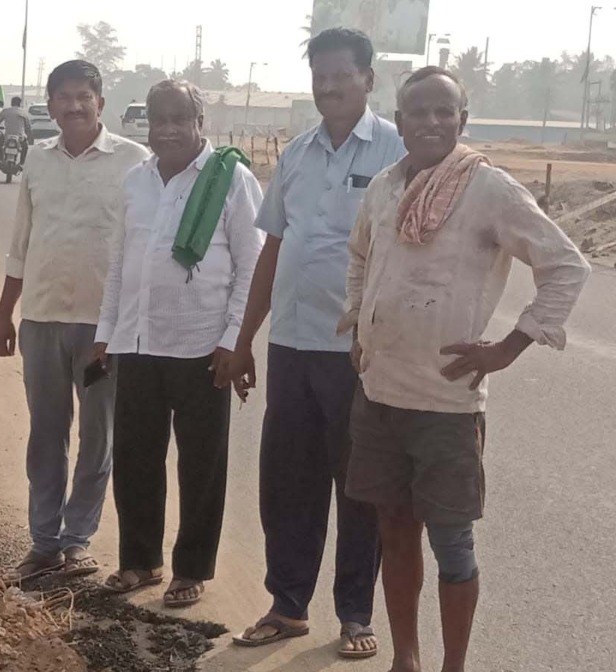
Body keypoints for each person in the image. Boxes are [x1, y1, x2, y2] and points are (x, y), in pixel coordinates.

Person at [340, 66, 590, 672]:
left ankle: (453, 665)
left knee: (452, 546)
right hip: (380, 396)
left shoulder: (491, 189)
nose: (430, 122)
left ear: (462, 120)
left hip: (447, 406)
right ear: (397, 122)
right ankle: (407, 658)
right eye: (417, 111)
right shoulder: (383, 188)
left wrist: (509, 347)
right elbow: (359, 257)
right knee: (394, 535)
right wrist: (358, 324)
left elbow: (565, 265)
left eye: (442, 111)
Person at [219, 28, 405, 659]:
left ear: (368, 80)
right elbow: (273, 249)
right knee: (287, 483)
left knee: (360, 488)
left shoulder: (397, 151)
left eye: (341, 77)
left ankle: (355, 614)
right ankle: (288, 605)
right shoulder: (295, 154)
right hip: (292, 349)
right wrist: (245, 340)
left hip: (358, 355)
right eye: (319, 77)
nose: (328, 88)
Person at [95, 80, 263, 608]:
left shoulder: (231, 179)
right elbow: (121, 264)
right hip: (139, 342)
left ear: (200, 123)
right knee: (135, 457)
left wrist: (235, 340)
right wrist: (106, 335)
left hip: (202, 346)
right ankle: (140, 560)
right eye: (156, 118)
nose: (166, 130)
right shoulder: (135, 181)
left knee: (201, 465)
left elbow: (253, 265)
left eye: (178, 119)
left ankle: (192, 568)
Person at [0, 60, 150, 582]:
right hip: (40, 319)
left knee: (98, 436)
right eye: (63, 97)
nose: (74, 106)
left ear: (100, 102)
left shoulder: (136, 162)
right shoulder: (37, 160)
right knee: (45, 433)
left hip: (105, 329)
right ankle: (43, 543)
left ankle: (77, 540)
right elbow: (20, 243)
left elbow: (146, 247)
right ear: (50, 103)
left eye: (84, 96)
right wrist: (3, 314)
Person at [0, 96, 33, 164]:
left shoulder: (6, 111)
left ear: (11, 103)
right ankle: (22, 163)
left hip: (7, 135)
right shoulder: (24, 113)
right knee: (25, 147)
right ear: (20, 104)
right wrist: (28, 135)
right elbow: (28, 126)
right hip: (20, 137)